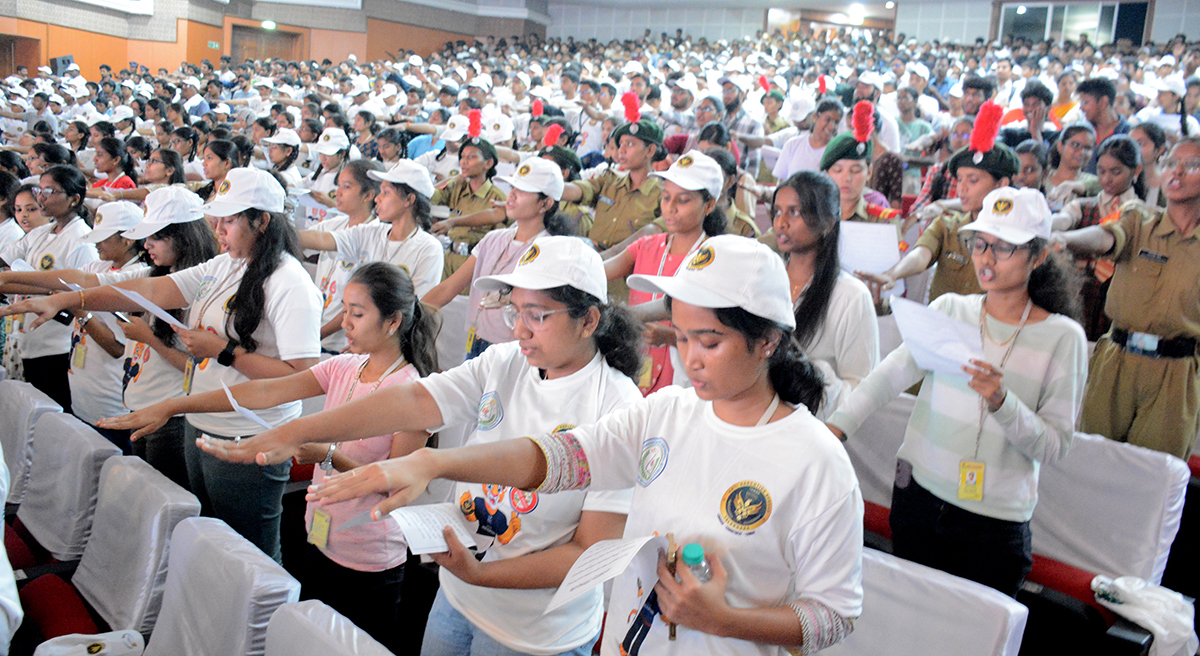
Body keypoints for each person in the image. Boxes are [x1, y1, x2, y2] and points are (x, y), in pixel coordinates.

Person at [211, 235, 865, 656]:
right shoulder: (667, 413)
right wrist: (436, 459)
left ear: (770, 340)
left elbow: (835, 615)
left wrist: (724, 619)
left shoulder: (813, 460)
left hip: (556, 633)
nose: (689, 359)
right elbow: (556, 461)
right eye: (683, 337)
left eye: (710, 342)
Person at [204, 235, 645, 656]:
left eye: (538, 315)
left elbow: (590, 549)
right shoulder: (506, 360)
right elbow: (416, 401)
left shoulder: (618, 405)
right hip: (458, 594)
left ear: (588, 319)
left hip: (534, 631)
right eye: (515, 312)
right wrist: (296, 431)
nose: (521, 331)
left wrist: (484, 574)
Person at [107, 262, 438, 653]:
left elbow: (399, 485)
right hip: (320, 532)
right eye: (344, 310)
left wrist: (326, 454)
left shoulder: (414, 391)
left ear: (392, 321)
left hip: (368, 555)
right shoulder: (346, 366)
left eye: (357, 313)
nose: (344, 322)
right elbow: (264, 392)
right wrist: (175, 405)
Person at [1, 167, 323, 559]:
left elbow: (303, 378)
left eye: (230, 219)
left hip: (249, 434)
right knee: (208, 539)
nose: (218, 228)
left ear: (262, 221)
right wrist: (69, 300)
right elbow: (151, 289)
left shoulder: (289, 282)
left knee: (249, 552)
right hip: (201, 422)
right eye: (216, 218)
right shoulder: (226, 265)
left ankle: (256, 620)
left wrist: (224, 351)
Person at [829, 186, 1087, 598]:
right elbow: (888, 376)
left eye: (1004, 247)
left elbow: (1054, 446)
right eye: (980, 243)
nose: (986, 257)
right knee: (911, 618)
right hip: (919, 499)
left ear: (1038, 256)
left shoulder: (1062, 338)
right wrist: (836, 430)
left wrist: (1003, 403)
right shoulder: (952, 310)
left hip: (993, 523)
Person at [1052, 137, 1200, 459]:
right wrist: (1064, 238)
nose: (1177, 173)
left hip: (1175, 372)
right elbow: (1105, 236)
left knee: (1153, 473)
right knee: (1090, 461)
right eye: (1171, 163)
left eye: (1192, 166)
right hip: (1117, 357)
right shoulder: (1140, 219)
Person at [860, 102, 1019, 308]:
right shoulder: (947, 226)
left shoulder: (1016, 236)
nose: (962, 189)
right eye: (959, 180)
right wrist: (894, 273)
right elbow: (921, 255)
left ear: (1001, 185)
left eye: (972, 181)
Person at [604, 150, 727, 395]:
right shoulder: (648, 245)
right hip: (636, 365)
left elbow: (721, 329)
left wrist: (671, 337)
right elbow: (598, 272)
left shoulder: (714, 256)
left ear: (709, 205)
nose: (670, 208)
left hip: (683, 375)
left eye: (682, 200)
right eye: (666, 197)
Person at [423, 157, 571, 359]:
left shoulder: (550, 250)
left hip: (515, 351)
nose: (511, 196)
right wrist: (412, 317)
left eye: (523, 191)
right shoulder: (494, 239)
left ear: (545, 203)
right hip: (477, 339)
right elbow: (450, 287)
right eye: (513, 188)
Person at [774, 170, 879, 419]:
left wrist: (808, 374)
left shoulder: (851, 296)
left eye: (794, 212)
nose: (781, 222)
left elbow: (861, 389)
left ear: (828, 223)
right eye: (777, 211)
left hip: (809, 425)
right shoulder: (765, 277)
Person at [298, 161, 444, 337]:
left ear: (409, 200)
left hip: (395, 346)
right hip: (361, 340)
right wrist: (278, 232)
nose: (377, 199)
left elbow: (415, 310)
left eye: (385, 193)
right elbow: (325, 239)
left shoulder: (428, 248)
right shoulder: (372, 233)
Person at [0, 165, 99, 411]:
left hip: (58, 344)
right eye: (39, 190)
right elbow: (5, 259)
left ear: (74, 199)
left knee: (54, 413)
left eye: (49, 191)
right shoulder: (41, 232)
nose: (42, 196)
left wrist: (18, 281)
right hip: (31, 337)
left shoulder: (81, 240)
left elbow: (81, 295)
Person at [1051, 135, 1143, 341]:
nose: (1106, 179)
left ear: (1135, 171)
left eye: (1116, 172)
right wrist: (1046, 227)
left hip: (1121, 299)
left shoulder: (1143, 215)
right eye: (1101, 171)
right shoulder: (1083, 206)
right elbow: (1064, 219)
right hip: (1079, 296)